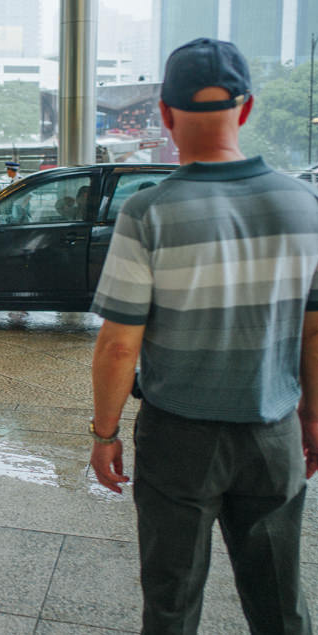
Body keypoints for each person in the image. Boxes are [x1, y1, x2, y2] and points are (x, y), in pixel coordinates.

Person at [88, 38, 318, 634]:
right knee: (280, 604)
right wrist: (313, 417)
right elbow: (315, 331)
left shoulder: (148, 212)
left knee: (171, 603)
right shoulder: (304, 204)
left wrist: (104, 434)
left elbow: (119, 345)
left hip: (177, 443)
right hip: (273, 436)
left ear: (164, 113)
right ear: (247, 109)